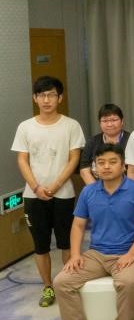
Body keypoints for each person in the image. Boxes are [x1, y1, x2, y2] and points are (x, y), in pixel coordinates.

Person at [52, 144, 134, 320]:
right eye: (101, 163)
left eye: (112, 162)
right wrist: (75, 254)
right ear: (95, 167)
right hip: (96, 254)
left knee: (127, 282)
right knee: (61, 281)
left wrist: (132, 253)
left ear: (123, 166)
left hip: (127, 253)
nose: (106, 167)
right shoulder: (89, 191)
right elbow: (78, 225)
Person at [12, 76, 85, 308]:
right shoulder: (25, 127)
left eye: (51, 95)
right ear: (35, 98)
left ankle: (67, 285)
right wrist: (36, 186)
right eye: (42, 95)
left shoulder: (71, 125)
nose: (46, 100)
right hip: (33, 195)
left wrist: (55, 185)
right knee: (40, 245)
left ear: (60, 98)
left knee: (66, 244)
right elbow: (22, 160)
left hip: (63, 194)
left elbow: (74, 158)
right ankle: (48, 287)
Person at [79, 103, 129, 185]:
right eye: (105, 121)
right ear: (99, 123)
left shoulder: (131, 139)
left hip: (126, 188)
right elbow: (84, 170)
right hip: (97, 187)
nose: (109, 124)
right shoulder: (92, 142)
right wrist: (97, 190)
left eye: (114, 120)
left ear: (122, 121)